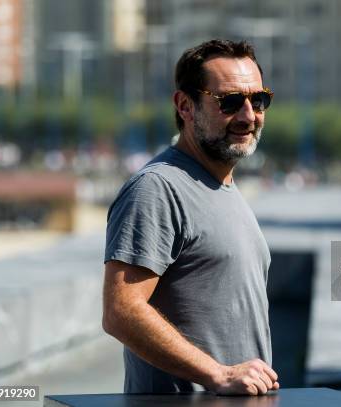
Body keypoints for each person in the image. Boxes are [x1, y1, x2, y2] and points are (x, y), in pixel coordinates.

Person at [102, 39, 279, 396]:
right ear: (185, 106)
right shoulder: (157, 188)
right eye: (229, 102)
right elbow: (121, 311)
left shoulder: (223, 187)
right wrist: (218, 374)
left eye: (257, 100)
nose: (248, 116)